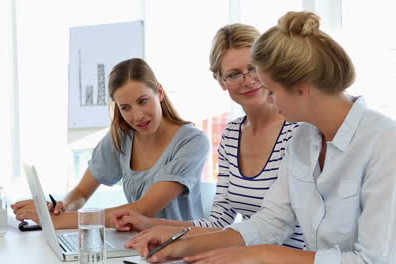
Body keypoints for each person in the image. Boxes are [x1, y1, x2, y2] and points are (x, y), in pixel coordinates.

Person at [125, 11, 396, 264]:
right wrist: (182, 244)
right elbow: (271, 221)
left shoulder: (389, 144)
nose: (269, 99)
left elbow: (373, 260)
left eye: (271, 90)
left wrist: (261, 254)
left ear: (301, 88)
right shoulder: (304, 141)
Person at [109, 24, 305, 250]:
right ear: (221, 80)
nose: (248, 81)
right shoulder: (232, 135)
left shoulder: (298, 130)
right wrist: (148, 224)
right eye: (234, 74)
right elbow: (218, 223)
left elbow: (278, 228)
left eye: (254, 68)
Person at [12, 58, 209, 229]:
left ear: (159, 92)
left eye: (143, 101)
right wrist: (60, 208)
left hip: (181, 253)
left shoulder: (192, 142)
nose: (137, 116)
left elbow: (144, 209)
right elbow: (81, 192)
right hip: (136, 246)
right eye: (125, 107)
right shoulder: (122, 137)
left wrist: (57, 222)